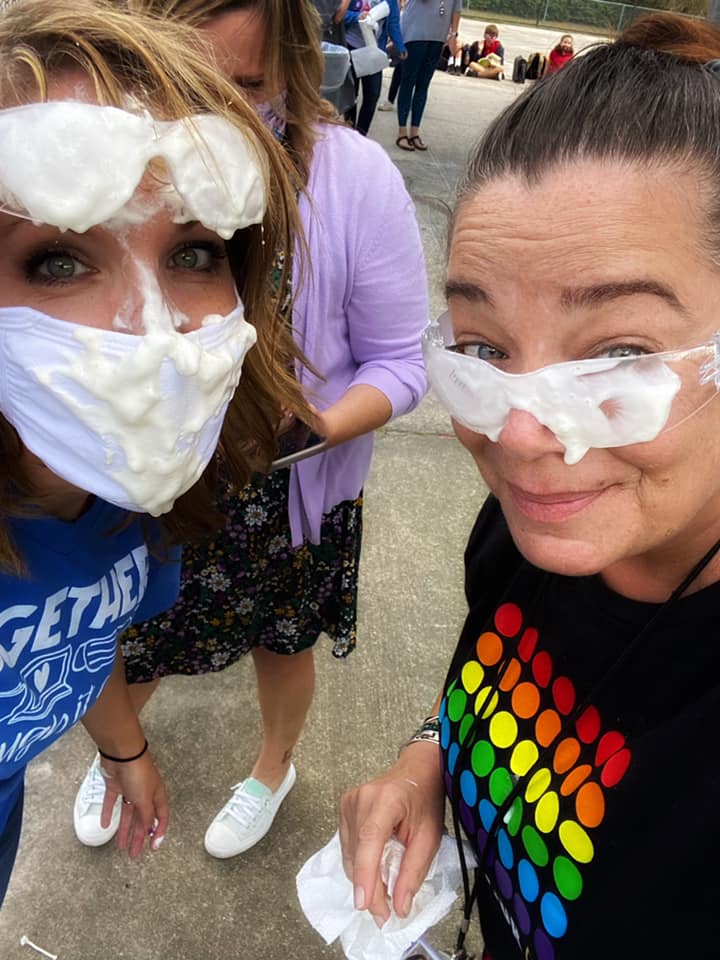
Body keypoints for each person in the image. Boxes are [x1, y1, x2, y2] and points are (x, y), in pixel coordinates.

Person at [340, 12, 720, 959]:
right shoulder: (532, 526)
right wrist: (428, 757)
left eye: (620, 353)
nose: (518, 435)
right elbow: (496, 672)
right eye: (481, 348)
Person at [73, 0, 429, 860]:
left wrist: (319, 422)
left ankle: (274, 767)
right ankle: (122, 750)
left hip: (286, 492)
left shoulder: (353, 177)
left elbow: (402, 363)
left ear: (294, 68)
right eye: (179, 88)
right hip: (158, 482)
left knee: (282, 643)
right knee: (135, 637)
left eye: (245, 88)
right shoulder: (107, 167)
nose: (216, 123)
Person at [0, 0, 309, 905]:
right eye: (57, 260)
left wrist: (123, 747)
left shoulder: (129, 510)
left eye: (197, 252)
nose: (157, 330)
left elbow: (69, 639)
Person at [395, 0, 462, 152]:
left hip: (437, 36)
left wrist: (453, 34)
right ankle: (402, 131)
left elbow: (457, 8)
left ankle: (415, 131)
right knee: (408, 81)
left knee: (423, 84)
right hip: (415, 33)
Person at [345, 0, 406, 136]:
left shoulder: (390, 2)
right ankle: (349, 133)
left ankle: (361, 134)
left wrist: (400, 46)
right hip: (351, 48)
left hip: (373, 52)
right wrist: (356, 17)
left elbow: (393, 24)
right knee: (350, 95)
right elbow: (340, 14)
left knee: (372, 96)